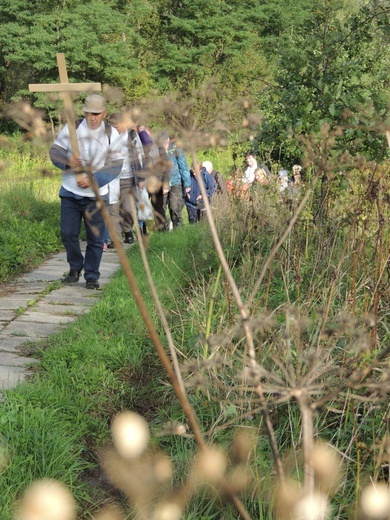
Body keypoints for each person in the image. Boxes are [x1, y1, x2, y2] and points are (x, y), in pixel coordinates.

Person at [49, 94, 124, 289]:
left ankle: (92, 275)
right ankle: (75, 268)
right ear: (84, 112)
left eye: (97, 114)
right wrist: (66, 161)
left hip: (97, 195)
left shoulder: (111, 134)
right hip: (70, 192)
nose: (93, 118)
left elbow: (116, 165)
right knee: (68, 234)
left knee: (96, 238)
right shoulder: (72, 128)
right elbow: (54, 151)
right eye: (90, 113)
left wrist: (94, 180)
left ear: (104, 113)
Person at [105, 113, 144, 248]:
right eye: (112, 126)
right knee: (113, 209)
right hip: (112, 178)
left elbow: (139, 157)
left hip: (129, 178)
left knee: (128, 209)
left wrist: (141, 178)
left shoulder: (132, 135)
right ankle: (116, 239)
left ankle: (127, 229)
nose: (114, 129)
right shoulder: (107, 136)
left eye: (116, 126)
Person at [138, 126, 170, 232]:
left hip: (157, 181)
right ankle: (144, 231)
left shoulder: (158, 147)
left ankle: (161, 229)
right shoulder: (138, 146)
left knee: (158, 207)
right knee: (142, 205)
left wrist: (165, 183)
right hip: (143, 181)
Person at [162, 133, 191, 229]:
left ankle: (178, 229)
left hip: (175, 181)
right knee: (160, 208)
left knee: (175, 207)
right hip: (161, 183)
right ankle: (163, 231)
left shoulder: (175, 148)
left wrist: (187, 184)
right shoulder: (156, 150)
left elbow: (183, 166)